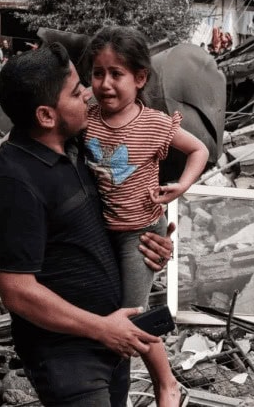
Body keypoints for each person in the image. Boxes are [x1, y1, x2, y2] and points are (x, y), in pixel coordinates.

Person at [0, 44, 175, 406]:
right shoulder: (13, 181)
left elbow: (97, 229)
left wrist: (153, 242)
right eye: (74, 91)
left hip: (112, 340)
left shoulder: (78, 149)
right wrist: (101, 328)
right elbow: (17, 291)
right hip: (68, 358)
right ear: (46, 115)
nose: (88, 93)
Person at [84, 26, 208, 406]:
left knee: (131, 315)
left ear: (140, 78)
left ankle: (165, 383)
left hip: (140, 233)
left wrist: (182, 186)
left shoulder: (154, 124)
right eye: (98, 73)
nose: (105, 84)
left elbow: (199, 150)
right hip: (101, 230)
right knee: (108, 311)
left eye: (116, 74)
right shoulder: (86, 117)